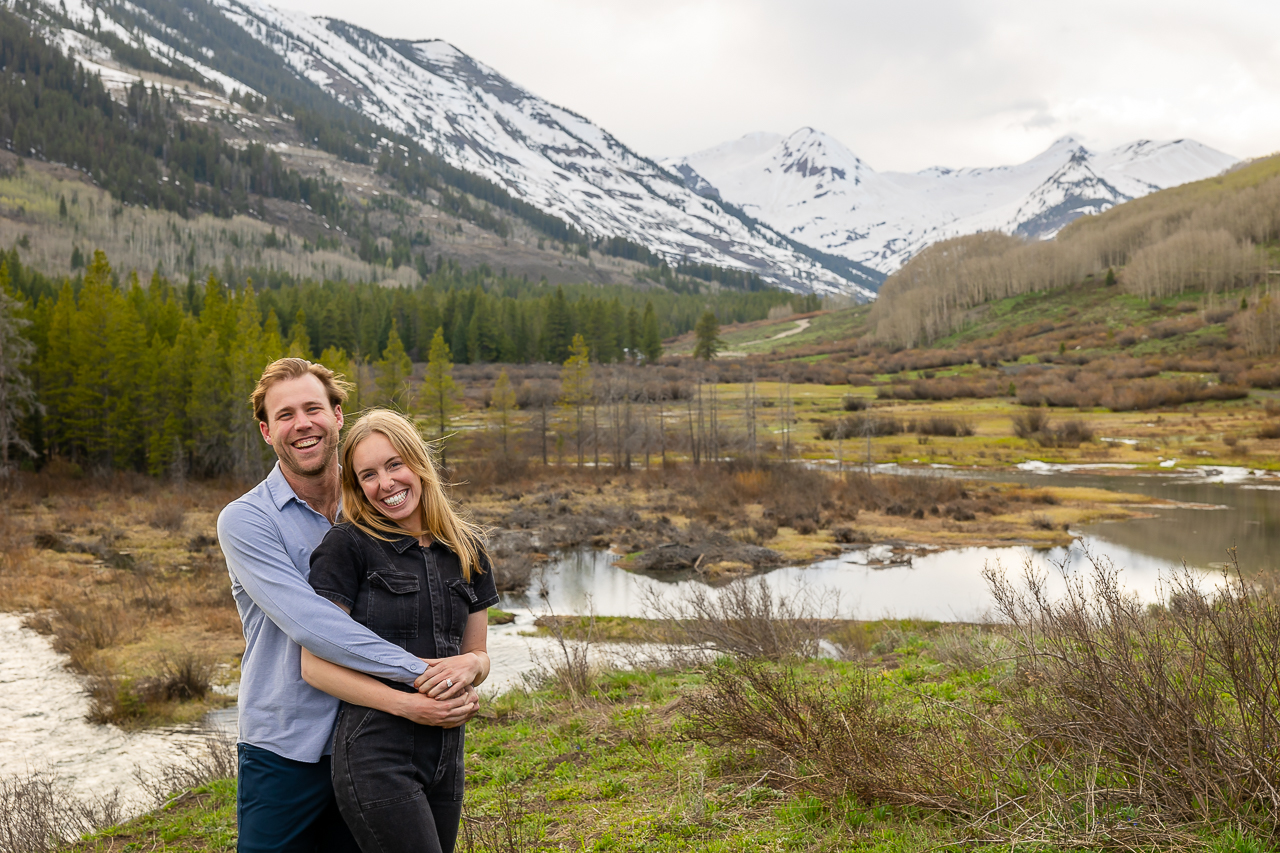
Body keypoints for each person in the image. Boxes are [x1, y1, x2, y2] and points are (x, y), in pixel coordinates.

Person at [217, 359, 480, 853]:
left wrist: (472, 663)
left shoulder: (381, 503)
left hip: (374, 741)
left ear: (338, 415)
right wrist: (424, 677)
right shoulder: (246, 521)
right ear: (266, 431)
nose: (303, 423)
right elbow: (311, 625)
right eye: (286, 414)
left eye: (313, 408)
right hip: (287, 745)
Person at [301, 409, 497, 853]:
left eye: (394, 465)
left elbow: (479, 656)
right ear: (357, 487)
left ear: (418, 463)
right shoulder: (346, 547)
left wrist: (471, 666)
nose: (385, 483)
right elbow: (314, 666)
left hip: (448, 751)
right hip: (376, 754)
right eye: (367, 474)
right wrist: (409, 706)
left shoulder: (467, 548)